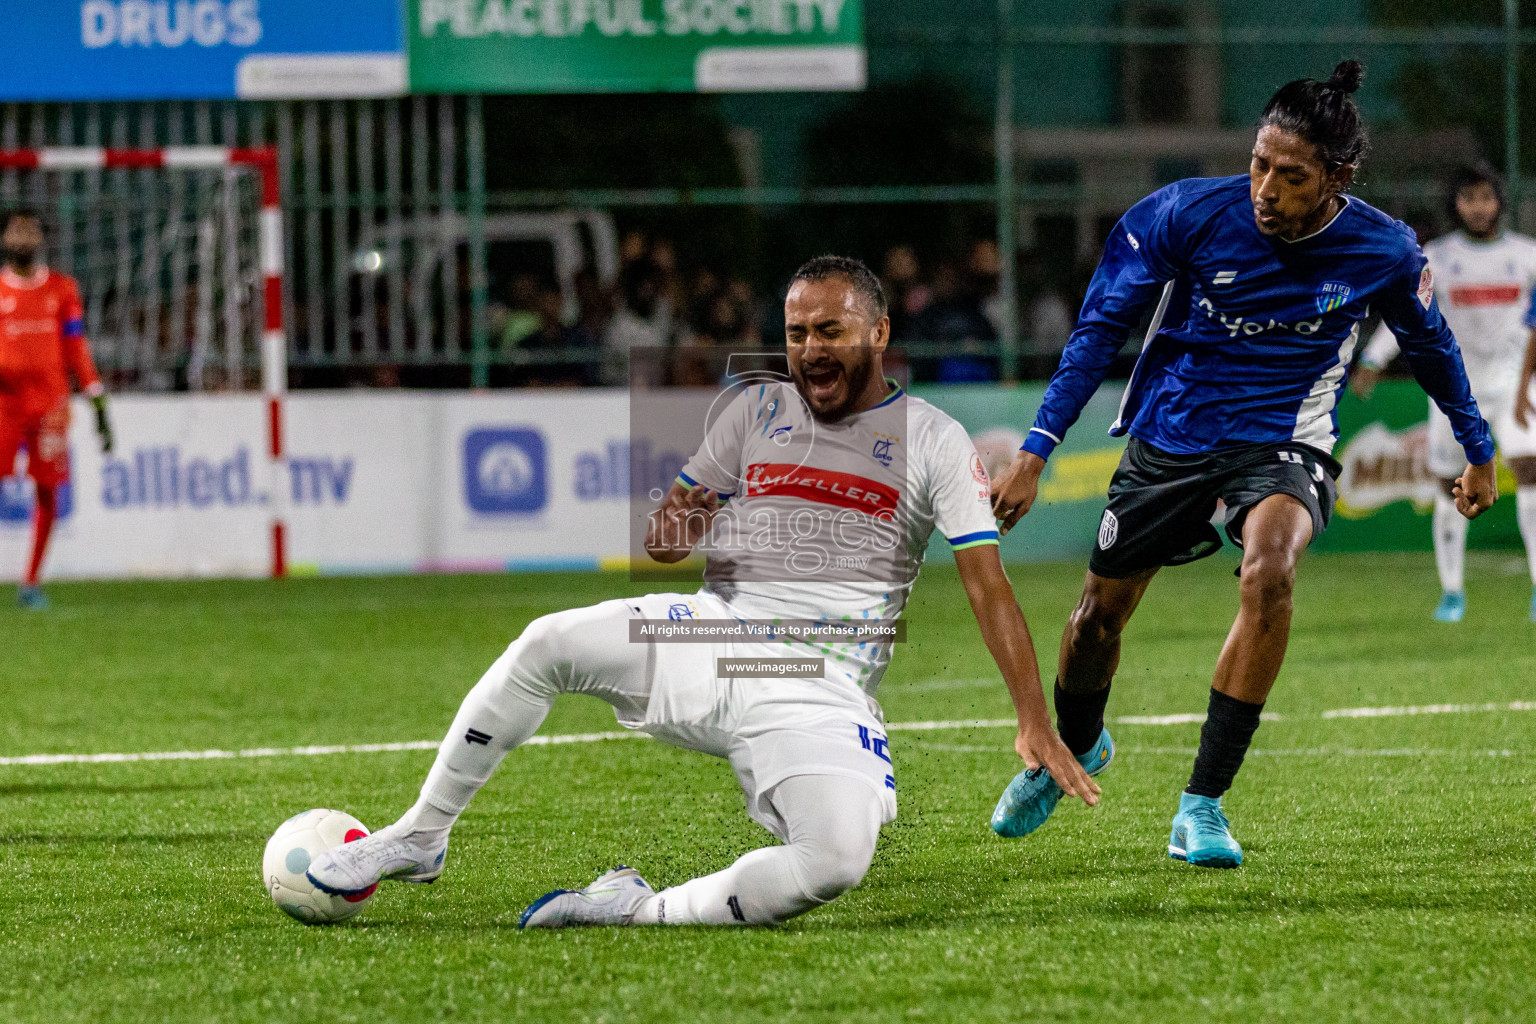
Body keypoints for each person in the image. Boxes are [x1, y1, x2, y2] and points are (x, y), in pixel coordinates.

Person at [305, 255, 1099, 927]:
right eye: (796, 333)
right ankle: (420, 834)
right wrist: (685, 516)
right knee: (547, 642)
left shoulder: (931, 437)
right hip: (717, 636)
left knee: (835, 861)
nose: (811, 349)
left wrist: (1033, 717)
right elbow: (665, 536)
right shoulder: (755, 409)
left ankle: (634, 910)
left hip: (820, 682)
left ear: (879, 335)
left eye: (831, 331)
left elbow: (988, 588)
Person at [987, 61, 1497, 868]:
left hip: (1286, 437)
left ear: (1337, 178)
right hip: (1175, 431)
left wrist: (1478, 447)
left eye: (1290, 176)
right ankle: (1078, 747)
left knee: (1271, 573)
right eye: (1259, 165)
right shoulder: (1185, 213)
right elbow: (1097, 331)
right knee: (1095, 623)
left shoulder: (1383, 249)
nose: (1265, 188)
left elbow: (1432, 347)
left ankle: (1202, 806)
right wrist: (1035, 450)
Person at [1351, 160, 1536, 622]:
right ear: (1456, 204)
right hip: (1453, 383)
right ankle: (1452, 592)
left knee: (1530, 469)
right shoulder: (1436, 256)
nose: (1478, 207)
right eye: (1468, 198)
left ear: (1500, 202)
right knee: (1448, 485)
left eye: (1486, 197)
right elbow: (1410, 316)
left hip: (1514, 379)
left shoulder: (1528, 255)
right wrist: (1375, 358)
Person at [0, 209, 112, 609]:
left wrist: (95, 393)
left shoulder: (63, 290)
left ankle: (30, 582)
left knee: (47, 489)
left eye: (30, 230)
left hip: (49, 406)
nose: (23, 237)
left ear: (41, 239)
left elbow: (75, 346)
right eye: (16, 230)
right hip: (4, 406)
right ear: (5, 238)